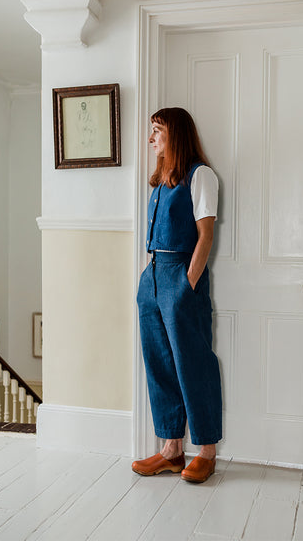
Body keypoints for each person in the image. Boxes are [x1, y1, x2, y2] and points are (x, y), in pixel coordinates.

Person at [132, 107, 222, 484]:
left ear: (176, 135)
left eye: (158, 131)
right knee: (159, 364)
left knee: (193, 363)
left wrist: (188, 283)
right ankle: (171, 450)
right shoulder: (159, 182)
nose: (151, 138)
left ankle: (206, 451)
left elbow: (205, 236)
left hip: (181, 277)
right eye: (151, 132)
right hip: (152, 277)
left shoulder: (200, 175)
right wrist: (147, 279)